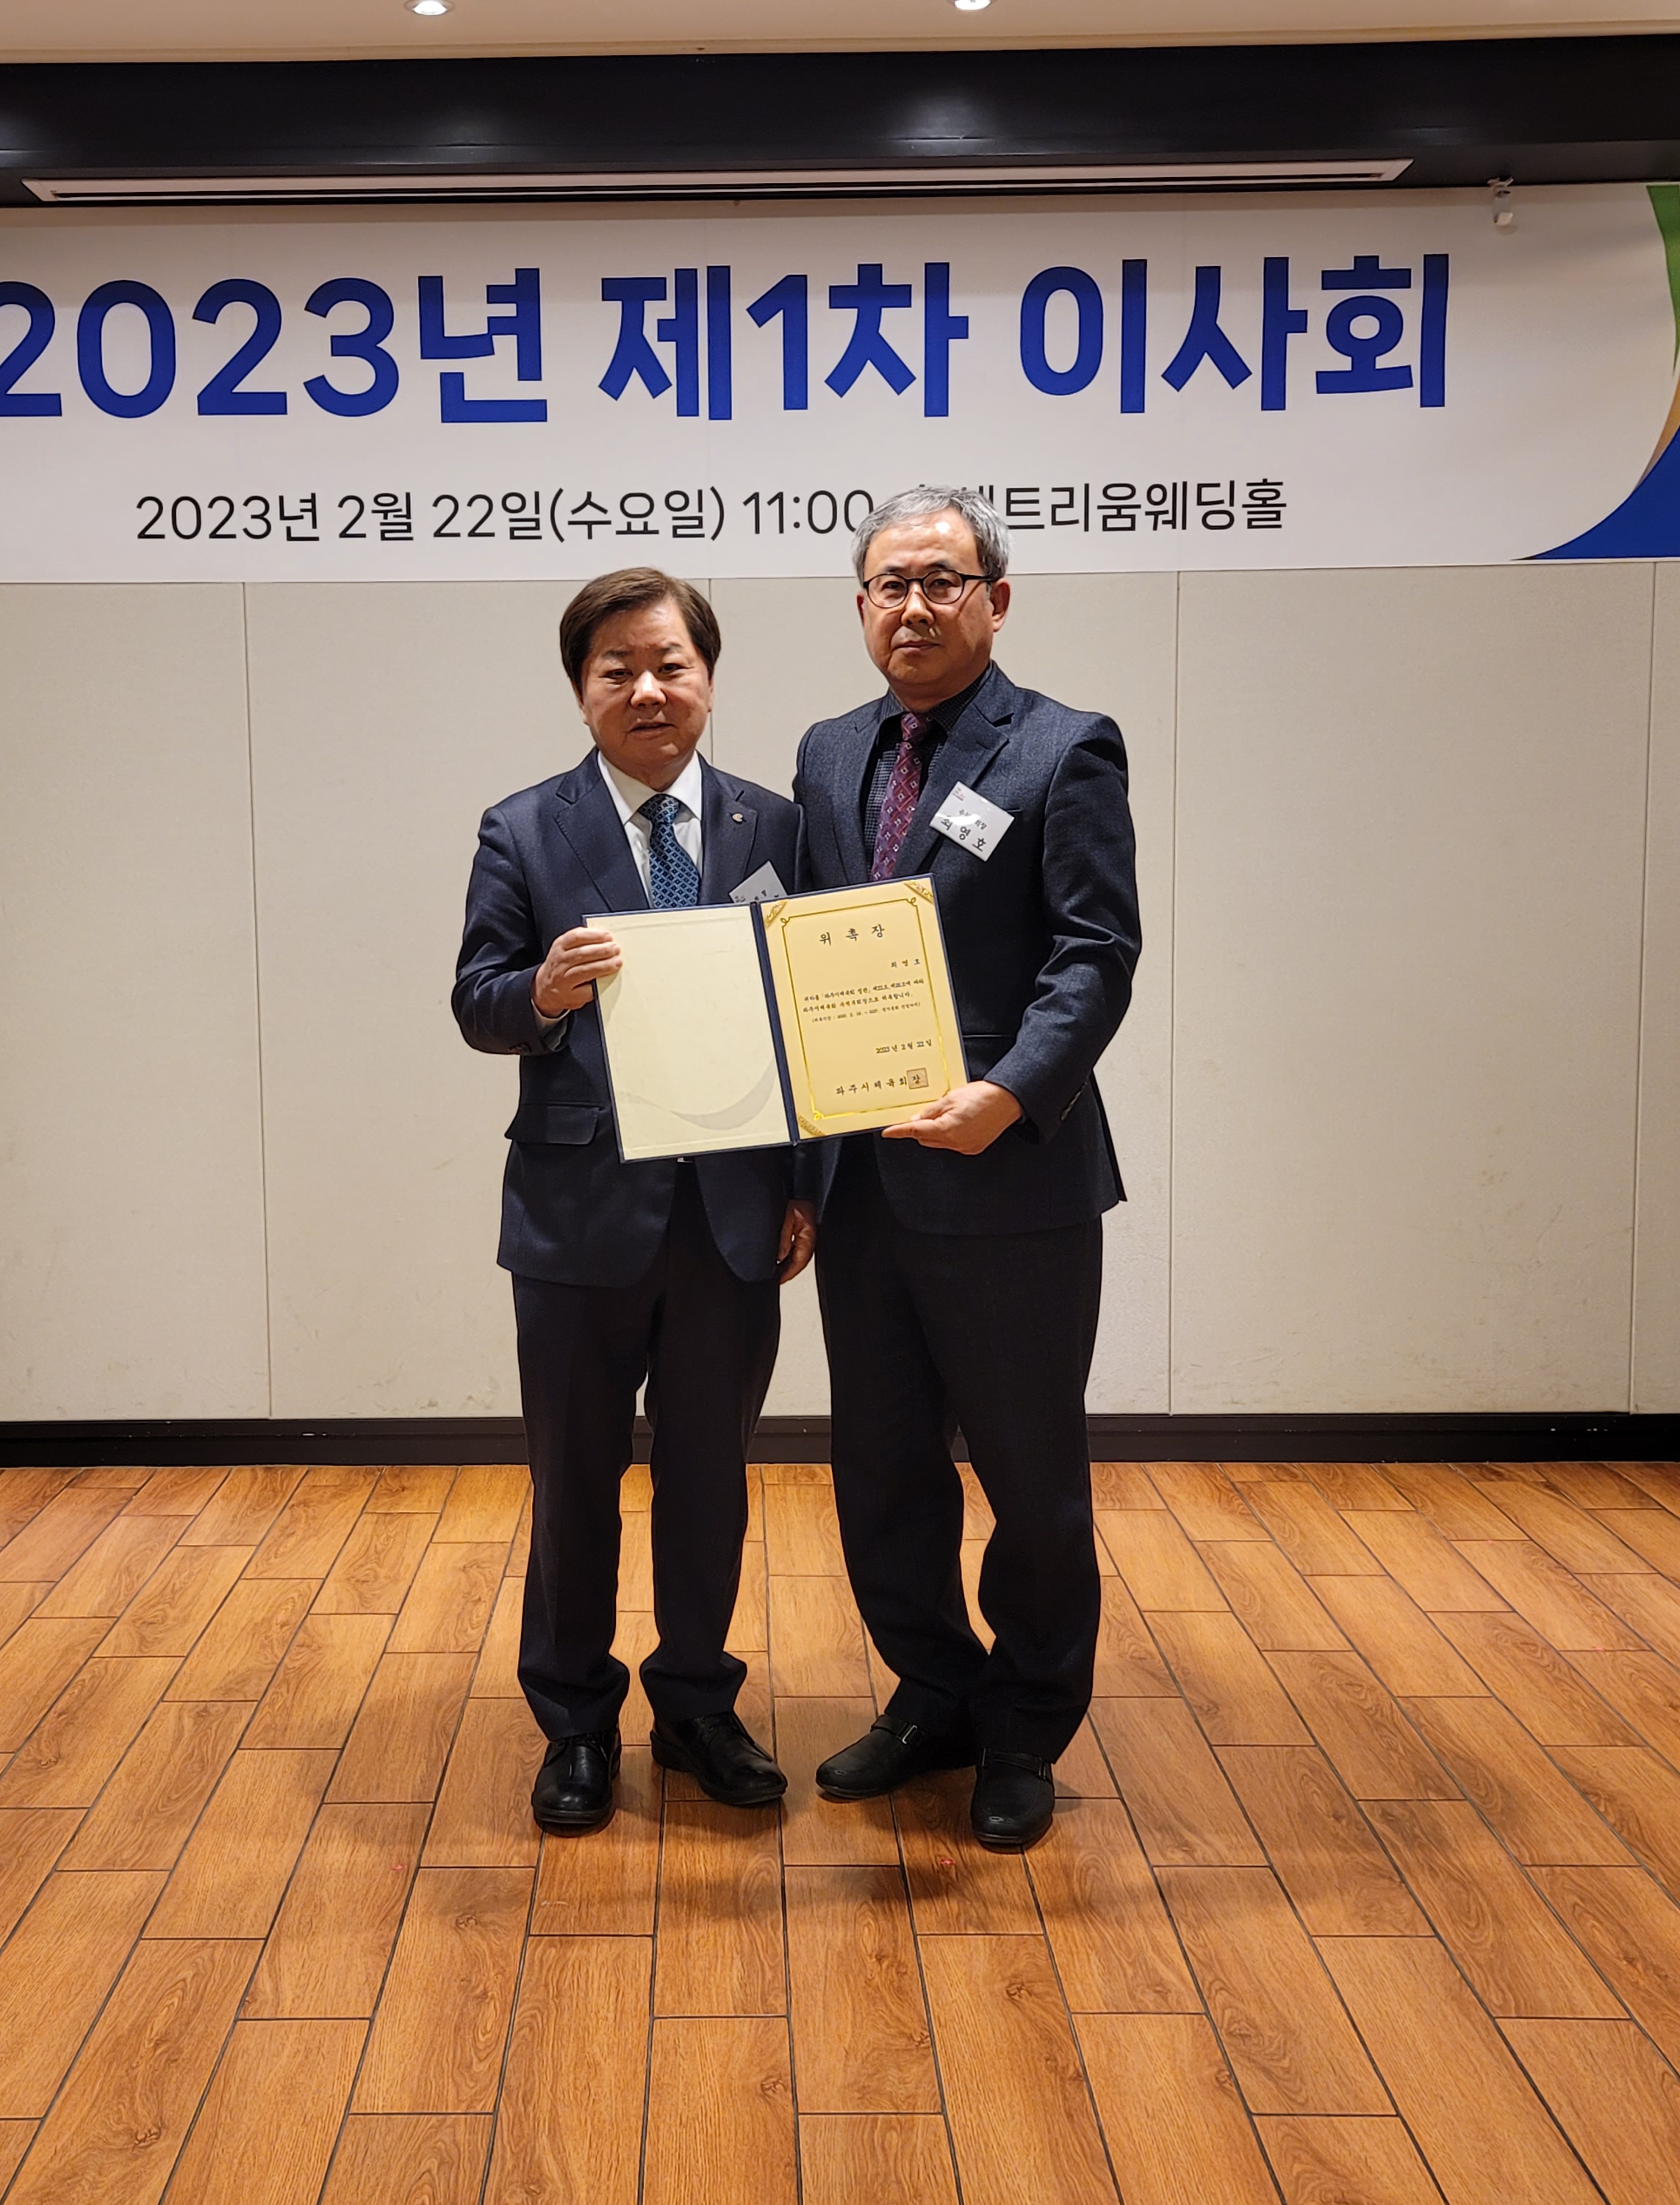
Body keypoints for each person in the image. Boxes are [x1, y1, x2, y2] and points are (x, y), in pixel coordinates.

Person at [792, 487, 1140, 1852]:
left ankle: (1025, 1727)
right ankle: (933, 1692)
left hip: (1011, 1180)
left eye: (943, 580)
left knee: (1029, 1473)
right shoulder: (829, 752)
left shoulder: (1063, 746)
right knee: (881, 1470)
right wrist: (795, 1165)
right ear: (861, 606)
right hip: (866, 1182)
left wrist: (1010, 1095)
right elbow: (807, 953)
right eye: (891, 584)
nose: (915, 607)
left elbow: (1094, 954)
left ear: (996, 598)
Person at [453, 567, 816, 1835]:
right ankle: (574, 1721)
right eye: (619, 670)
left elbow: (812, 1022)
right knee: (573, 1481)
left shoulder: (779, 826)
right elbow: (477, 1001)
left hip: (733, 1219)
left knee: (710, 1477)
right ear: (582, 690)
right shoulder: (523, 829)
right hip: (576, 1219)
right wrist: (542, 991)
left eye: (671, 665)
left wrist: (807, 1190)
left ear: (708, 678)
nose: (648, 690)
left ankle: (698, 1705)